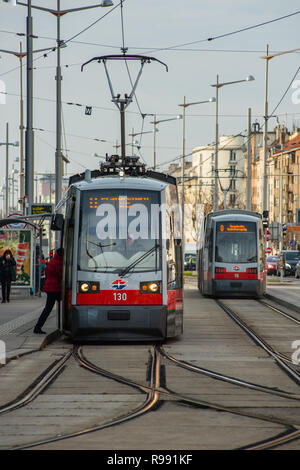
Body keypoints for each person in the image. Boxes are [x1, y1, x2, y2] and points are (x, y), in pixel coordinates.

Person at [33, 247, 64, 334]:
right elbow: (61, 274)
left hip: (50, 288)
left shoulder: (52, 261)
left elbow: (47, 272)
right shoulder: (60, 262)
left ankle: (38, 327)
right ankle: (37, 327)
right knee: (65, 305)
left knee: (48, 308)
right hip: (56, 288)